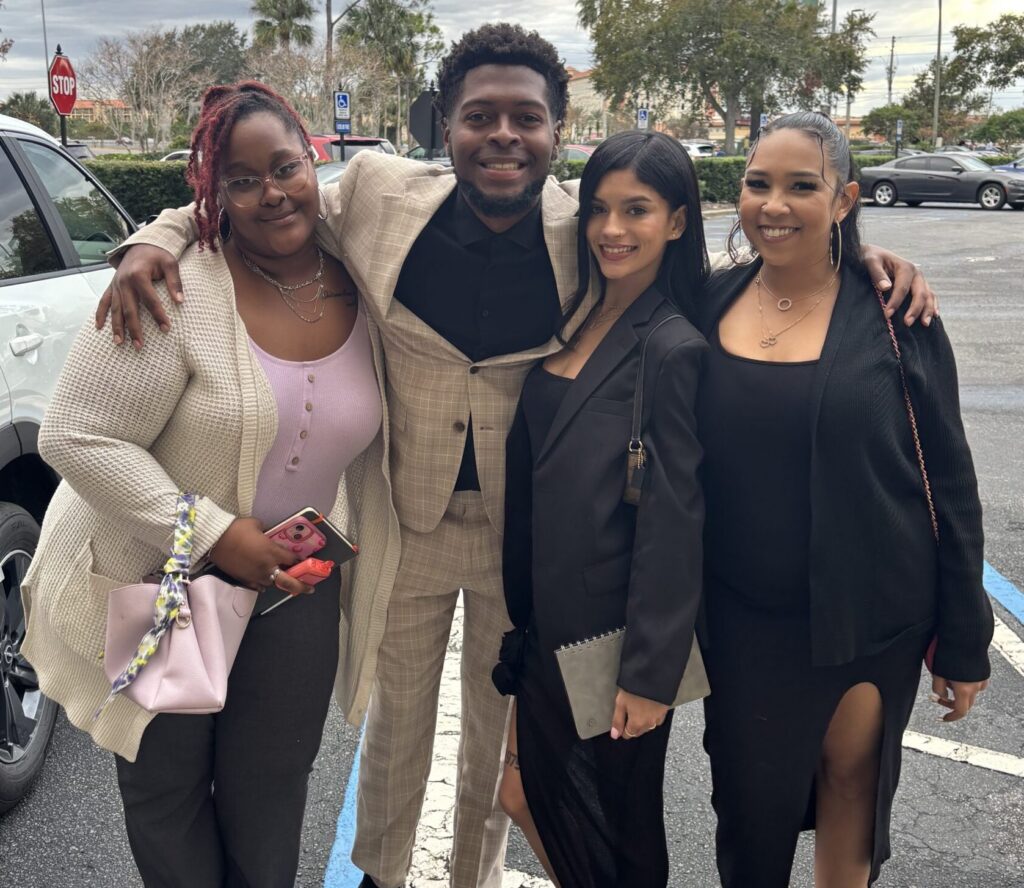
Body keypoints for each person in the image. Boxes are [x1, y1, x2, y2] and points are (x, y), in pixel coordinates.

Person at [95, 25, 937, 888]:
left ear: (555, 130)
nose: (503, 135)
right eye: (479, 116)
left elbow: (705, 275)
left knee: (501, 737)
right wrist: (155, 236)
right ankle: (384, 874)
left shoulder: (588, 224)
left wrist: (852, 256)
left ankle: (474, 876)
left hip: (523, 536)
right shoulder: (381, 195)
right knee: (395, 730)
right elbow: (268, 194)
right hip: (407, 519)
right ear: (446, 124)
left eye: (526, 118)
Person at [21, 82, 400, 887]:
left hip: (297, 583)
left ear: (313, 162)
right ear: (213, 192)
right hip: (166, 579)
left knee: (273, 786)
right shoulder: (173, 285)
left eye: (285, 168)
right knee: (168, 789)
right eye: (242, 180)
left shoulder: (361, 271)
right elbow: (75, 433)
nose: (272, 193)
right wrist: (212, 533)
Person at [692, 112, 994, 887]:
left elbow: (950, 482)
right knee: (749, 819)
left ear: (845, 199)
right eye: (758, 184)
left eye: (802, 186)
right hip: (741, 622)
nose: (774, 204)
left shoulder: (897, 316)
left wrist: (965, 638)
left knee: (850, 788)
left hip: (871, 616)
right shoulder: (705, 302)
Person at [494, 131, 708, 886]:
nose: (611, 229)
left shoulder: (674, 346)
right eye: (598, 209)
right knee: (525, 796)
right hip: (546, 623)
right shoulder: (580, 310)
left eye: (636, 210)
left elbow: (675, 522)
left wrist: (650, 676)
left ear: (676, 222)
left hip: (609, 638)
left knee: (617, 832)